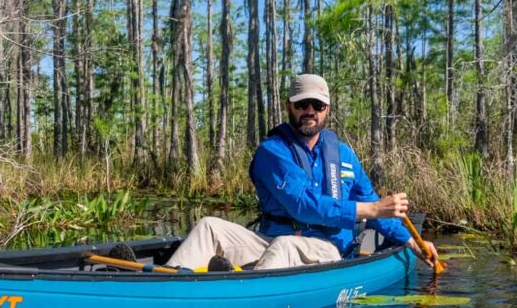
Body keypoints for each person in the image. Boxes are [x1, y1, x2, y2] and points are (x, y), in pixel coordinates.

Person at [165, 73, 439, 271]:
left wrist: (413, 242)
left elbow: (378, 208)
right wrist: (372, 210)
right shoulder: (273, 152)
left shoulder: (344, 154)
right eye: (302, 104)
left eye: (317, 106)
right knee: (209, 226)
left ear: (327, 110)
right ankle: (166, 287)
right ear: (289, 106)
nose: (310, 111)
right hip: (273, 242)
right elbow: (302, 206)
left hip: (327, 250)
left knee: (285, 246)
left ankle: (246, 296)